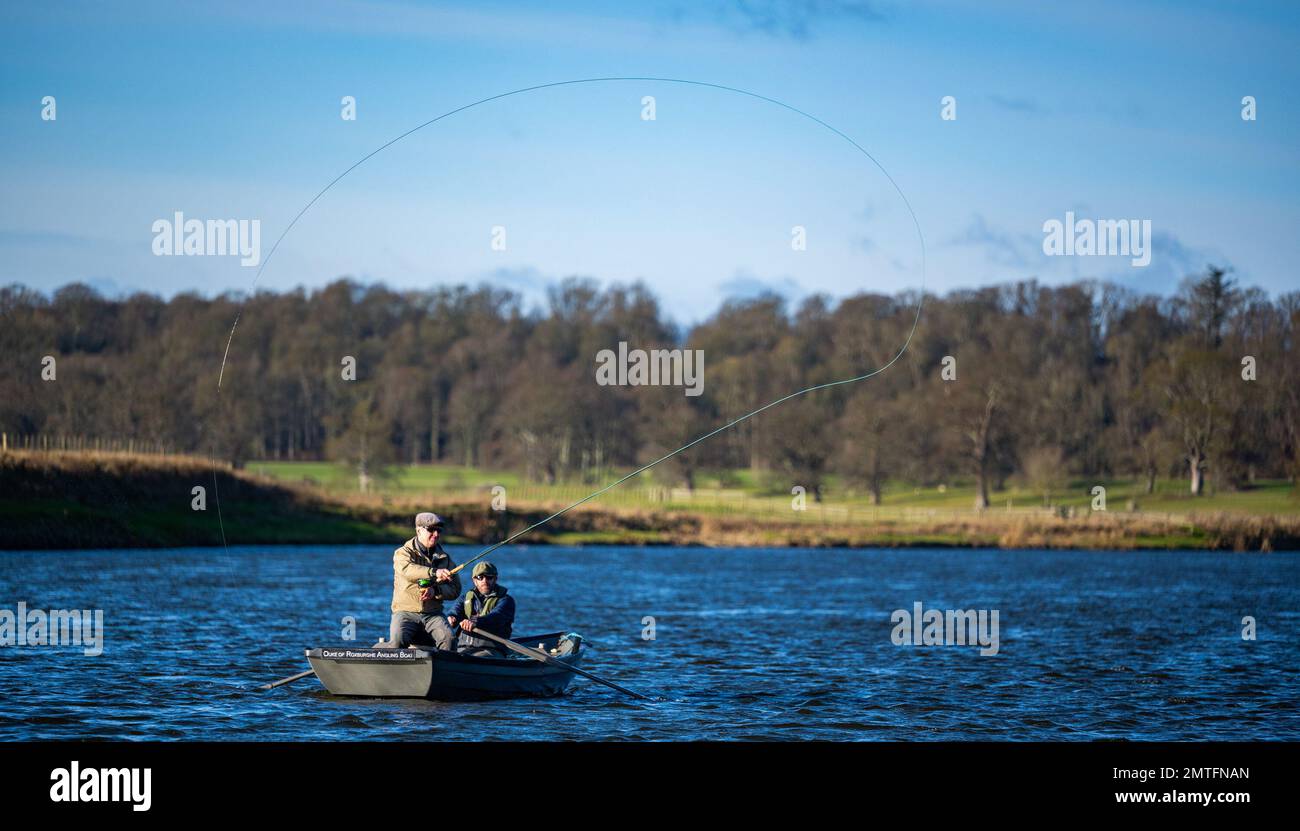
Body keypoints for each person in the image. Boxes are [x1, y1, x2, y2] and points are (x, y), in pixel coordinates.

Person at [388, 512, 462, 649]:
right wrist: (434, 572)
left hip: (433, 614)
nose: (436, 534)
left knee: (450, 640)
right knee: (397, 642)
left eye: (438, 530)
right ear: (418, 530)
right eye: (431, 530)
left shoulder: (445, 559)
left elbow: (455, 589)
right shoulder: (403, 553)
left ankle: (444, 668)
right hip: (405, 612)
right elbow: (407, 570)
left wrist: (436, 591)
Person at [445, 561, 515, 657]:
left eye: (489, 577)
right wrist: (451, 618)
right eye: (480, 577)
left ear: (495, 579)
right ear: (474, 581)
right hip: (463, 648)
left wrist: (476, 622)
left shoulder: (506, 601)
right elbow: (455, 611)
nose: (484, 581)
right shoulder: (465, 598)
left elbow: (496, 617)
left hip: (491, 649)